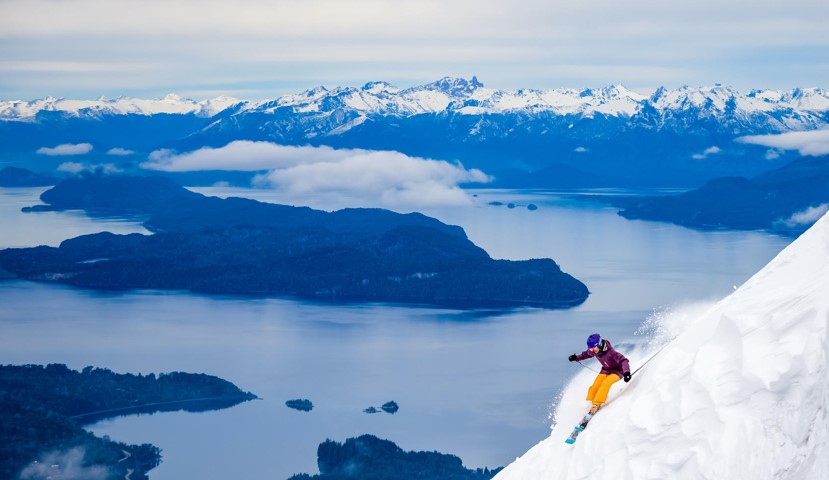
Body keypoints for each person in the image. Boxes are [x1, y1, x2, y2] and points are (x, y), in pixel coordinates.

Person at [568, 333, 631, 413]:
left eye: (594, 348)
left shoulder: (610, 352)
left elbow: (623, 360)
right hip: (606, 370)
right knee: (595, 385)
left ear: (600, 344)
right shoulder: (594, 351)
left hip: (618, 371)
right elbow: (585, 354)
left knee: (605, 383)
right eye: (591, 349)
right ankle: (589, 402)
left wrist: (627, 372)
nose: (592, 350)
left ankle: (596, 404)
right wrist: (576, 358)